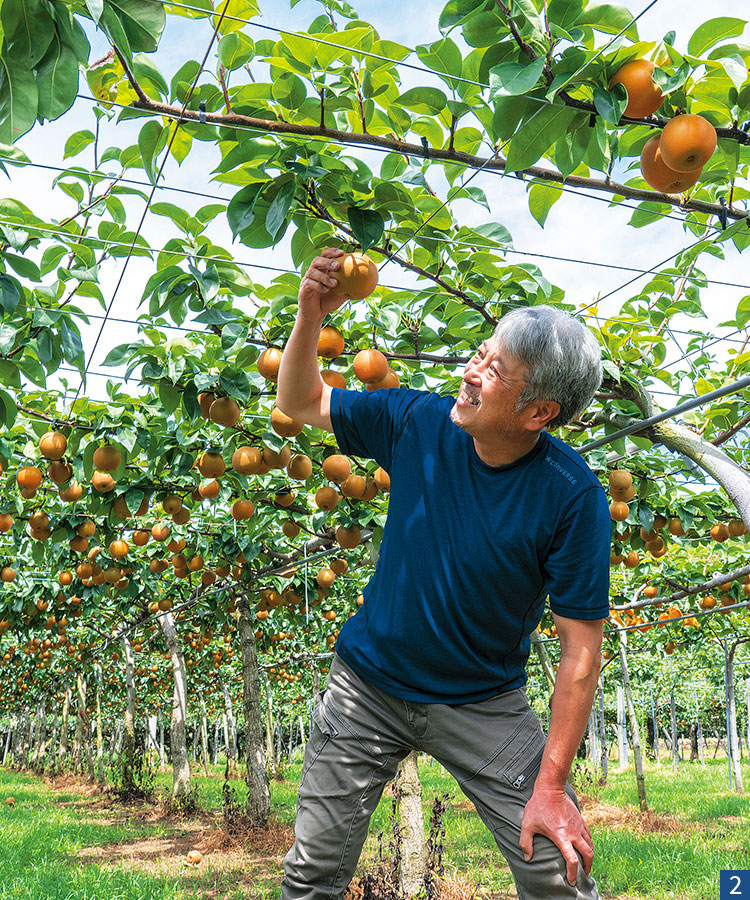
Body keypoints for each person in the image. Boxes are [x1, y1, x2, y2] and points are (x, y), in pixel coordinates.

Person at [276, 247, 611, 900]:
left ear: (538, 411)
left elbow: (580, 654)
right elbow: (300, 399)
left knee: (558, 874)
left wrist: (549, 789)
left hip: (482, 701)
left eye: (494, 370)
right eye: (479, 355)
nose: (469, 373)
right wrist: (309, 316)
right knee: (310, 874)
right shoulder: (417, 420)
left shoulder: (572, 494)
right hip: (367, 688)